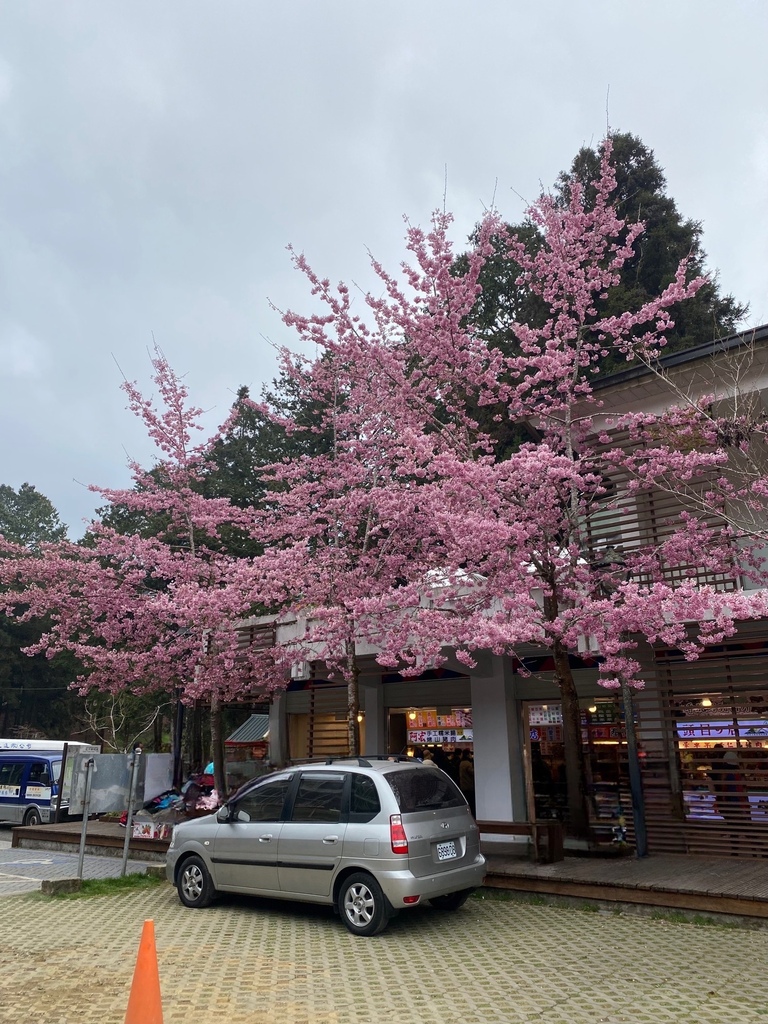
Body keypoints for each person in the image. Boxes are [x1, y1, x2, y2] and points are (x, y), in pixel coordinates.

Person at [459, 749, 475, 815]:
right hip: (469, 785)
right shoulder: (468, 764)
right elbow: (473, 773)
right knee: (471, 801)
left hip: (463, 784)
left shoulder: (461, 763)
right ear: (468, 754)